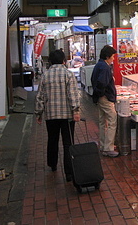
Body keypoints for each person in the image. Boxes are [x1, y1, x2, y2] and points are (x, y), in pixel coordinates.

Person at [35, 49, 81, 182]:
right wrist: (76, 111)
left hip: (51, 115)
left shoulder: (45, 75)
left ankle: (53, 164)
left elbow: (40, 96)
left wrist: (39, 113)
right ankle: (69, 173)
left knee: (52, 139)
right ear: (63, 61)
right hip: (67, 116)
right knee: (68, 142)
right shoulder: (68, 74)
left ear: (50, 61)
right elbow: (73, 95)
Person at [91, 45, 119, 157]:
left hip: (100, 97)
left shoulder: (99, 65)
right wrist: (103, 94)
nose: (114, 59)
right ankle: (108, 148)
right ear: (107, 57)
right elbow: (102, 83)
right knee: (112, 120)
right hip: (105, 98)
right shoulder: (105, 67)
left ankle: (103, 146)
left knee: (103, 122)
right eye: (112, 56)